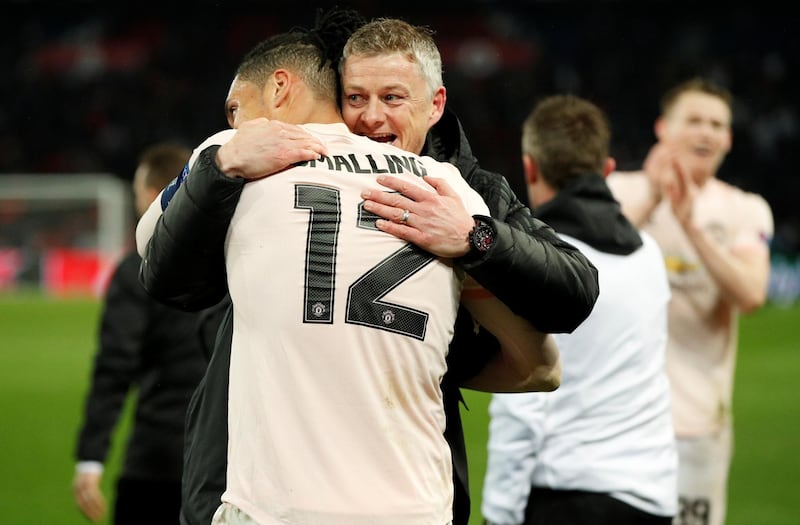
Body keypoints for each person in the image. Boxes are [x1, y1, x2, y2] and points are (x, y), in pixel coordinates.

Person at [137, 12, 598, 525]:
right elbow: (541, 365)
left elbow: (571, 298)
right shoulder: (446, 184)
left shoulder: (465, 196)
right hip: (401, 499)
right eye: (356, 98)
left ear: (436, 104)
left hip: (286, 499)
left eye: (393, 98)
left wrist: (473, 240)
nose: (372, 118)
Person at [480, 94, 678, 525]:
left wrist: (499, 513)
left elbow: (523, 401)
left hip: (566, 495)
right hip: (653, 496)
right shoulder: (650, 255)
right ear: (607, 170)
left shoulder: (540, 268)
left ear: (529, 167)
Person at [606, 77, 774, 525]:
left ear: (729, 139)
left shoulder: (745, 209)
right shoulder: (617, 191)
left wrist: (691, 226)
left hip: (698, 426)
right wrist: (654, 197)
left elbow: (752, 294)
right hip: (615, 421)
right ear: (663, 128)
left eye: (717, 124)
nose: (706, 132)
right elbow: (589, 272)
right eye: (694, 120)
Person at [72, 143, 209, 524]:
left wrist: (91, 456)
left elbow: (115, 365)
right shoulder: (229, 260)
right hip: (223, 462)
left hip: (156, 460)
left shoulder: (137, 269)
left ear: (154, 196)